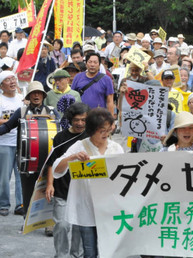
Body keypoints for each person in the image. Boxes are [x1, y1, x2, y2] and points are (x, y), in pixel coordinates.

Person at [53, 107, 124, 258]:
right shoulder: (80, 146)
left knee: (108, 250)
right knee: (89, 250)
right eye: (101, 130)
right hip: (86, 207)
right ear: (92, 130)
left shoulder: (116, 148)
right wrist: (72, 158)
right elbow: (57, 169)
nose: (105, 134)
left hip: (108, 208)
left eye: (108, 129)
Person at [0, 81, 60, 217]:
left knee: (49, 189)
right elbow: (7, 127)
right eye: (33, 93)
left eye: (39, 93)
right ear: (29, 96)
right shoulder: (21, 111)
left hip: (48, 160)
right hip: (27, 159)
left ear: (43, 96)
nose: (36, 95)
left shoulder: (51, 111)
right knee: (27, 191)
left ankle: (48, 223)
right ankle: (27, 220)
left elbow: (60, 131)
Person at [46, 102, 90, 258]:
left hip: (83, 192)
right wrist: (50, 184)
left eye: (84, 120)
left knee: (79, 228)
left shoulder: (93, 137)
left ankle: (76, 255)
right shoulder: (61, 137)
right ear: (71, 119)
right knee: (62, 226)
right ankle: (61, 255)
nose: (80, 123)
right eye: (77, 119)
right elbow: (51, 162)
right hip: (62, 189)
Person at [0, 71, 24, 216]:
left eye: (13, 78)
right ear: (2, 86)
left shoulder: (22, 99)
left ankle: (20, 204)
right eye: (8, 80)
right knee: (4, 176)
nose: (12, 81)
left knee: (21, 175)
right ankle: (3, 204)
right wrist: (13, 121)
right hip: (4, 142)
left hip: (22, 142)